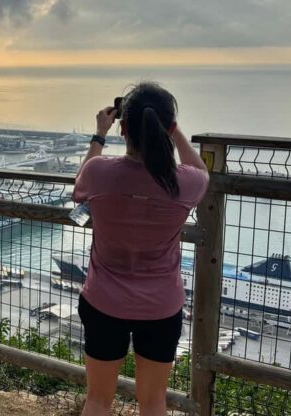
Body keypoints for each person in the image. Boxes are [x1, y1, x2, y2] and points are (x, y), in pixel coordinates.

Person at [72, 82, 209, 416]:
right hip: (161, 307)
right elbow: (202, 172)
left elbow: (79, 190)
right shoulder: (183, 182)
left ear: (123, 127)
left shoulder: (99, 172)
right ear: (167, 127)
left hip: (103, 300)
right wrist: (174, 132)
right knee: (153, 402)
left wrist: (99, 135)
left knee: (97, 400)